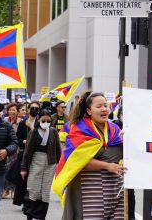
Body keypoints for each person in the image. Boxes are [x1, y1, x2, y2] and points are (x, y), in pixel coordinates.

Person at [52, 91, 125, 220]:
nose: (104, 109)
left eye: (105, 106)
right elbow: (75, 161)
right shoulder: (79, 130)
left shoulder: (115, 129)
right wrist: (107, 165)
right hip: (89, 190)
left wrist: (129, 136)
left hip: (114, 188)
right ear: (89, 110)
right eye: (99, 106)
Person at [21, 109, 62, 220]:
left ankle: (41, 216)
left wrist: (61, 166)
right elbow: (27, 151)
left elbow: (58, 149)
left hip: (50, 162)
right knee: (33, 188)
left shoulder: (53, 131)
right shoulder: (33, 132)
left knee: (45, 190)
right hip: (36, 160)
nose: (45, 122)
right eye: (43, 120)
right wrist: (24, 168)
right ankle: (29, 215)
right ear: (39, 120)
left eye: (48, 120)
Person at [13, 101, 40, 206]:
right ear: (28, 109)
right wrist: (23, 141)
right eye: (32, 108)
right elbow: (17, 139)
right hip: (24, 153)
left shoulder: (41, 122)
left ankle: (33, 200)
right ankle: (24, 200)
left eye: (36, 108)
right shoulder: (22, 123)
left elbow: (40, 138)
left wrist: (32, 127)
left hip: (37, 154)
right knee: (23, 178)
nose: (34, 110)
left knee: (34, 178)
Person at [112, 108, 136, 220]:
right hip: (115, 169)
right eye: (123, 114)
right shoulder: (114, 127)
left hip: (128, 169)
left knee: (130, 197)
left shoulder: (135, 127)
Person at [2, 103, 21, 199]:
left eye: (14, 110)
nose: (12, 112)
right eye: (10, 110)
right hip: (5, 148)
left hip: (16, 149)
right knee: (5, 169)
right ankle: (5, 190)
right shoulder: (4, 121)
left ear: (18, 111)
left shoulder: (21, 122)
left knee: (14, 169)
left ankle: (13, 190)